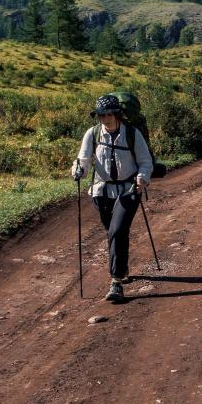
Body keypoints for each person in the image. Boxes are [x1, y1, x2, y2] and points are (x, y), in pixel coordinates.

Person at [72, 94, 155, 303]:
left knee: (117, 231)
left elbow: (145, 162)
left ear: (117, 114)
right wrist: (78, 170)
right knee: (113, 233)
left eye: (109, 114)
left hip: (129, 189)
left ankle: (116, 282)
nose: (105, 118)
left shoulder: (132, 134)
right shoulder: (92, 134)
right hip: (101, 191)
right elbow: (83, 160)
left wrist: (142, 178)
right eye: (101, 115)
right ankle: (123, 267)